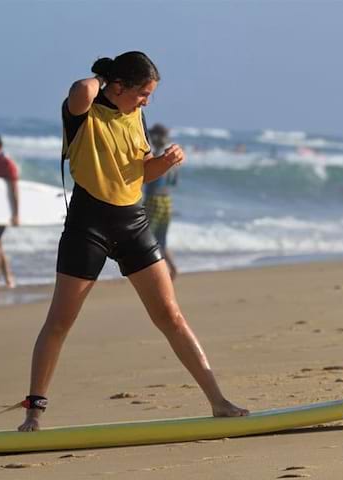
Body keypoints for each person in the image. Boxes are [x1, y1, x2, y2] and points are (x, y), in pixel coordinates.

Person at [18, 51, 248, 432]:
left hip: (133, 224)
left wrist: (167, 162)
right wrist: (105, 79)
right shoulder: (82, 112)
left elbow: (141, 174)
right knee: (59, 322)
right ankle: (34, 414)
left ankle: (218, 401)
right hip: (87, 227)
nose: (147, 102)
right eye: (143, 93)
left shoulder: (136, 117)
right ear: (119, 87)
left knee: (170, 316)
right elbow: (81, 88)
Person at [144, 123, 178, 279]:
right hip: (167, 201)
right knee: (161, 240)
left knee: (147, 238)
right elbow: (173, 182)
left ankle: (155, 273)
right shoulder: (173, 156)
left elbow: (149, 179)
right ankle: (171, 268)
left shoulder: (157, 154)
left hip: (154, 200)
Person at [0, 134, 19, 289]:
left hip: (2, 211)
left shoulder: (7, 163)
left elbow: (15, 190)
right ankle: (9, 278)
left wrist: (16, 214)